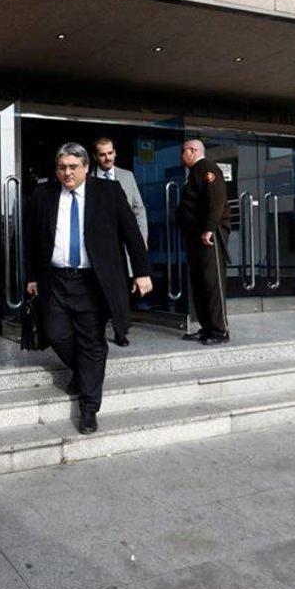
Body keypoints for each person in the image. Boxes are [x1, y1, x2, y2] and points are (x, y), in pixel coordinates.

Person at [26, 142, 152, 435]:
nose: (67, 173)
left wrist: (142, 271)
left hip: (92, 282)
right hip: (55, 279)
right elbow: (33, 239)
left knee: (92, 341)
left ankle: (88, 408)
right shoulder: (44, 194)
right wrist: (32, 276)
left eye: (72, 167)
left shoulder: (107, 192)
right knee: (55, 333)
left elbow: (131, 233)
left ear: (85, 167)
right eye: (61, 168)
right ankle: (86, 372)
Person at [91, 136, 149, 346]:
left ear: (115, 153)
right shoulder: (88, 179)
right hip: (98, 245)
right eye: (102, 154)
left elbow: (138, 209)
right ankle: (97, 331)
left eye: (110, 153)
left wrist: (140, 241)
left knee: (121, 289)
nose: (107, 158)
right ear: (96, 157)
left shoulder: (127, 176)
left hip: (122, 244)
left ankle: (120, 330)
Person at [175, 139, 230, 345]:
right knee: (199, 284)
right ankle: (207, 327)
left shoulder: (207, 167)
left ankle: (220, 331)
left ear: (192, 150)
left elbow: (216, 200)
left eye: (183, 151)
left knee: (212, 283)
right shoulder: (194, 173)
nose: (181, 156)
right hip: (195, 237)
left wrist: (208, 229)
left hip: (208, 237)